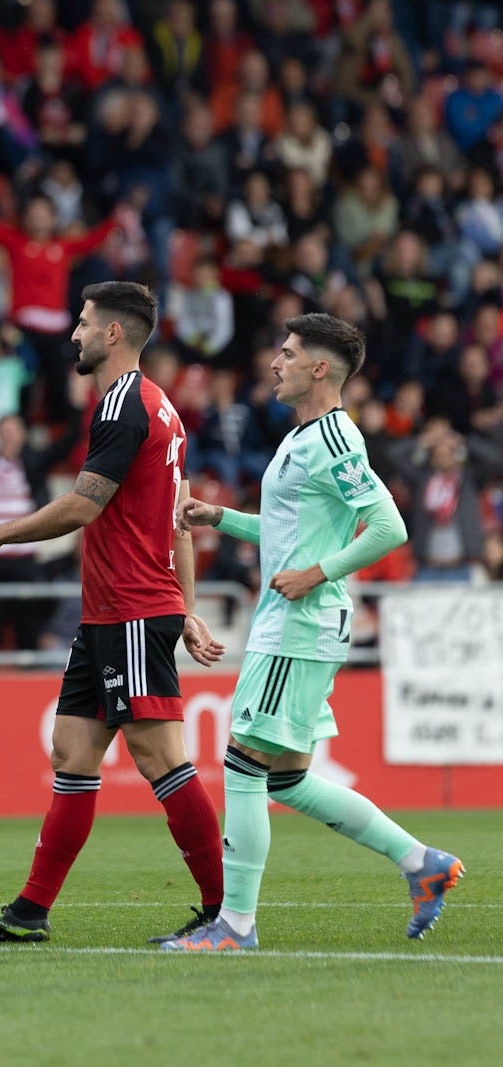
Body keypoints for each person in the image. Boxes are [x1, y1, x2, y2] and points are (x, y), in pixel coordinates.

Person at [166, 315, 464, 951]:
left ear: (319, 369)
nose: (276, 362)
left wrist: (316, 575)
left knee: (243, 764)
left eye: (289, 352)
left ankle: (235, 926)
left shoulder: (335, 439)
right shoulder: (305, 436)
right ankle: (421, 863)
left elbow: (389, 528)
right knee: (285, 778)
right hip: (294, 622)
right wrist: (220, 517)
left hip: (298, 627)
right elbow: (287, 534)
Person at [0, 282, 228, 945]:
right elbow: (179, 521)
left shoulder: (123, 406)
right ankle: (30, 911)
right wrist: (185, 607)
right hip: (114, 611)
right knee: (72, 751)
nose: (72, 333)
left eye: (82, 323)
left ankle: (227, 909)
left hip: (131, 608)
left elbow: (82, 504)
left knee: (161, 758)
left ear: (112, 334)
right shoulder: (159, 407)